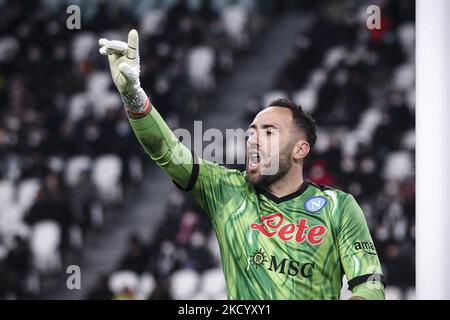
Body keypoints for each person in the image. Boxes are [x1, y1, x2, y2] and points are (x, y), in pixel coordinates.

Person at [98, 30, 385, 300]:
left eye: (268, 132)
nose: (253, 140)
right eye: (251, 132)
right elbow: (166, 150)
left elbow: (370, 285)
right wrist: (133, 94)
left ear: (301, 149)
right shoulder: (227, 190)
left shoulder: (338, 207)